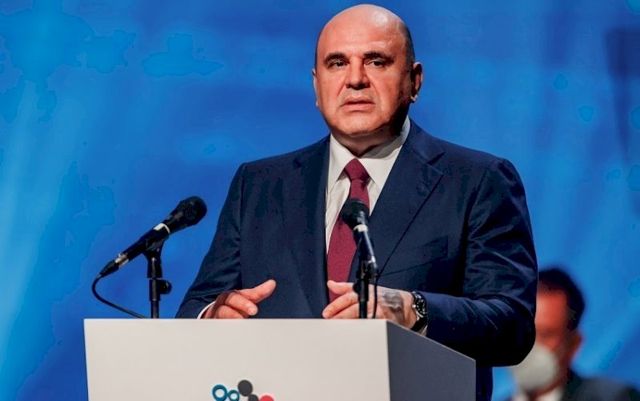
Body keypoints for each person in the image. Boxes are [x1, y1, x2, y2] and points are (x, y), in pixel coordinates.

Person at [177, 4, 537, 400]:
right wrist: (213, 316)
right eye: (337, 63)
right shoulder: (259, 185)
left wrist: (414, 310)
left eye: (376, 61)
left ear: (414, 81)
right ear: (317, 86)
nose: (355, 80)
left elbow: (513, 327)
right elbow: (196, 307)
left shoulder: (477, 180)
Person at [509, 267, 640, 401]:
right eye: (522, 330)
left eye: (545, 335)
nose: (530, 345)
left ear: (574, 345)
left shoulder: (615, 398)